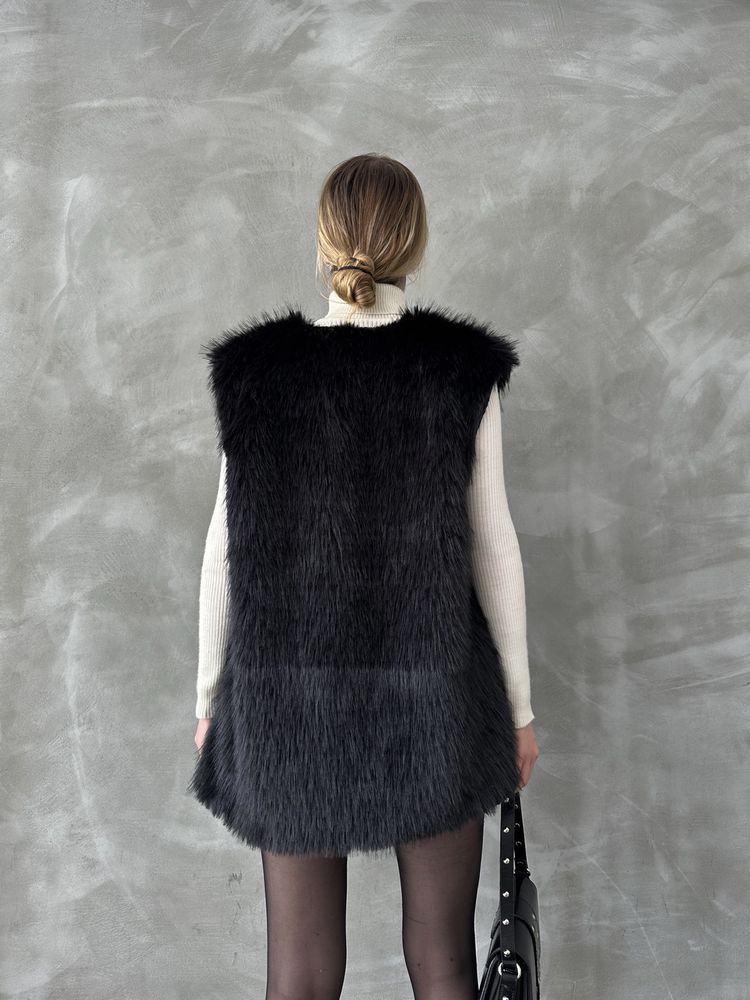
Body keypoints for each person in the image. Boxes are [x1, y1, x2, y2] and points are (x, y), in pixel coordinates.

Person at [189, 153, 540, 1000]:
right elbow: (494, 547)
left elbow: (222, 551)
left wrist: (207, 702)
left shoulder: (257, 372)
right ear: (413, 244)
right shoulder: (459, 368)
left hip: (287, 705)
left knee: (300, 977)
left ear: (324, 244)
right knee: (443, 963)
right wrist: (521, 713)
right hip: (434, 703)